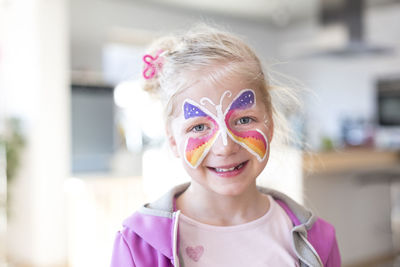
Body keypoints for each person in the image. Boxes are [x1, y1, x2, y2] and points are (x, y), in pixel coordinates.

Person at [110, 24, 341, 267]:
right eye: (198, 127)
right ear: (173, 140)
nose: (225, 147)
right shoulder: (138, 246)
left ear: (270, 125)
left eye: (243, 120)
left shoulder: (318, 240)